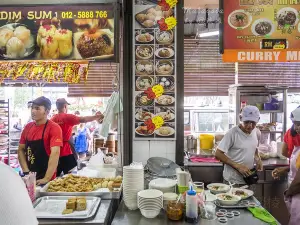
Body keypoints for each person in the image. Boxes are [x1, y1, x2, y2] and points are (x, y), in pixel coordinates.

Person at [51, 98, 104, 175]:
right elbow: (83, 119)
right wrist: (96, 117)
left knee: (55, 177)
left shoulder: (52, 119)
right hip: (67, 152)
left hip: (55, 152)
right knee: (71, 176)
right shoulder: (67, 117)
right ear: (65, 106)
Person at [18, 96, 63, 185]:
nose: (33, 111)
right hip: (30, 177)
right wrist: (26, 172)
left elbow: (55, 153)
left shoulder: (54, 128)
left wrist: (46, 178)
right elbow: (20, 150)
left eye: (37, 108)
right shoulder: (28, 127)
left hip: (47, 179)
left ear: (46, 111)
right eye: (32, 108)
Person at [215, 105, 263, 186]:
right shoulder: (232, 133)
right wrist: (237, 166)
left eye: (253, 122)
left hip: (248, 179)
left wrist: (258, 159)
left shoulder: (257, 132)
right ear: (241, 119)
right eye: (246, 122)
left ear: (258, 120)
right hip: (232, 181)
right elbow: (218, 154)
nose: (250, 126)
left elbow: (254, 148)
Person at [272, 108, 300, 225]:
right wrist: (287, 168)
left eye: (299, 124)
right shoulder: (297, 147)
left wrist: (289, 192)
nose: (297, 128)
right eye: (295, 125)